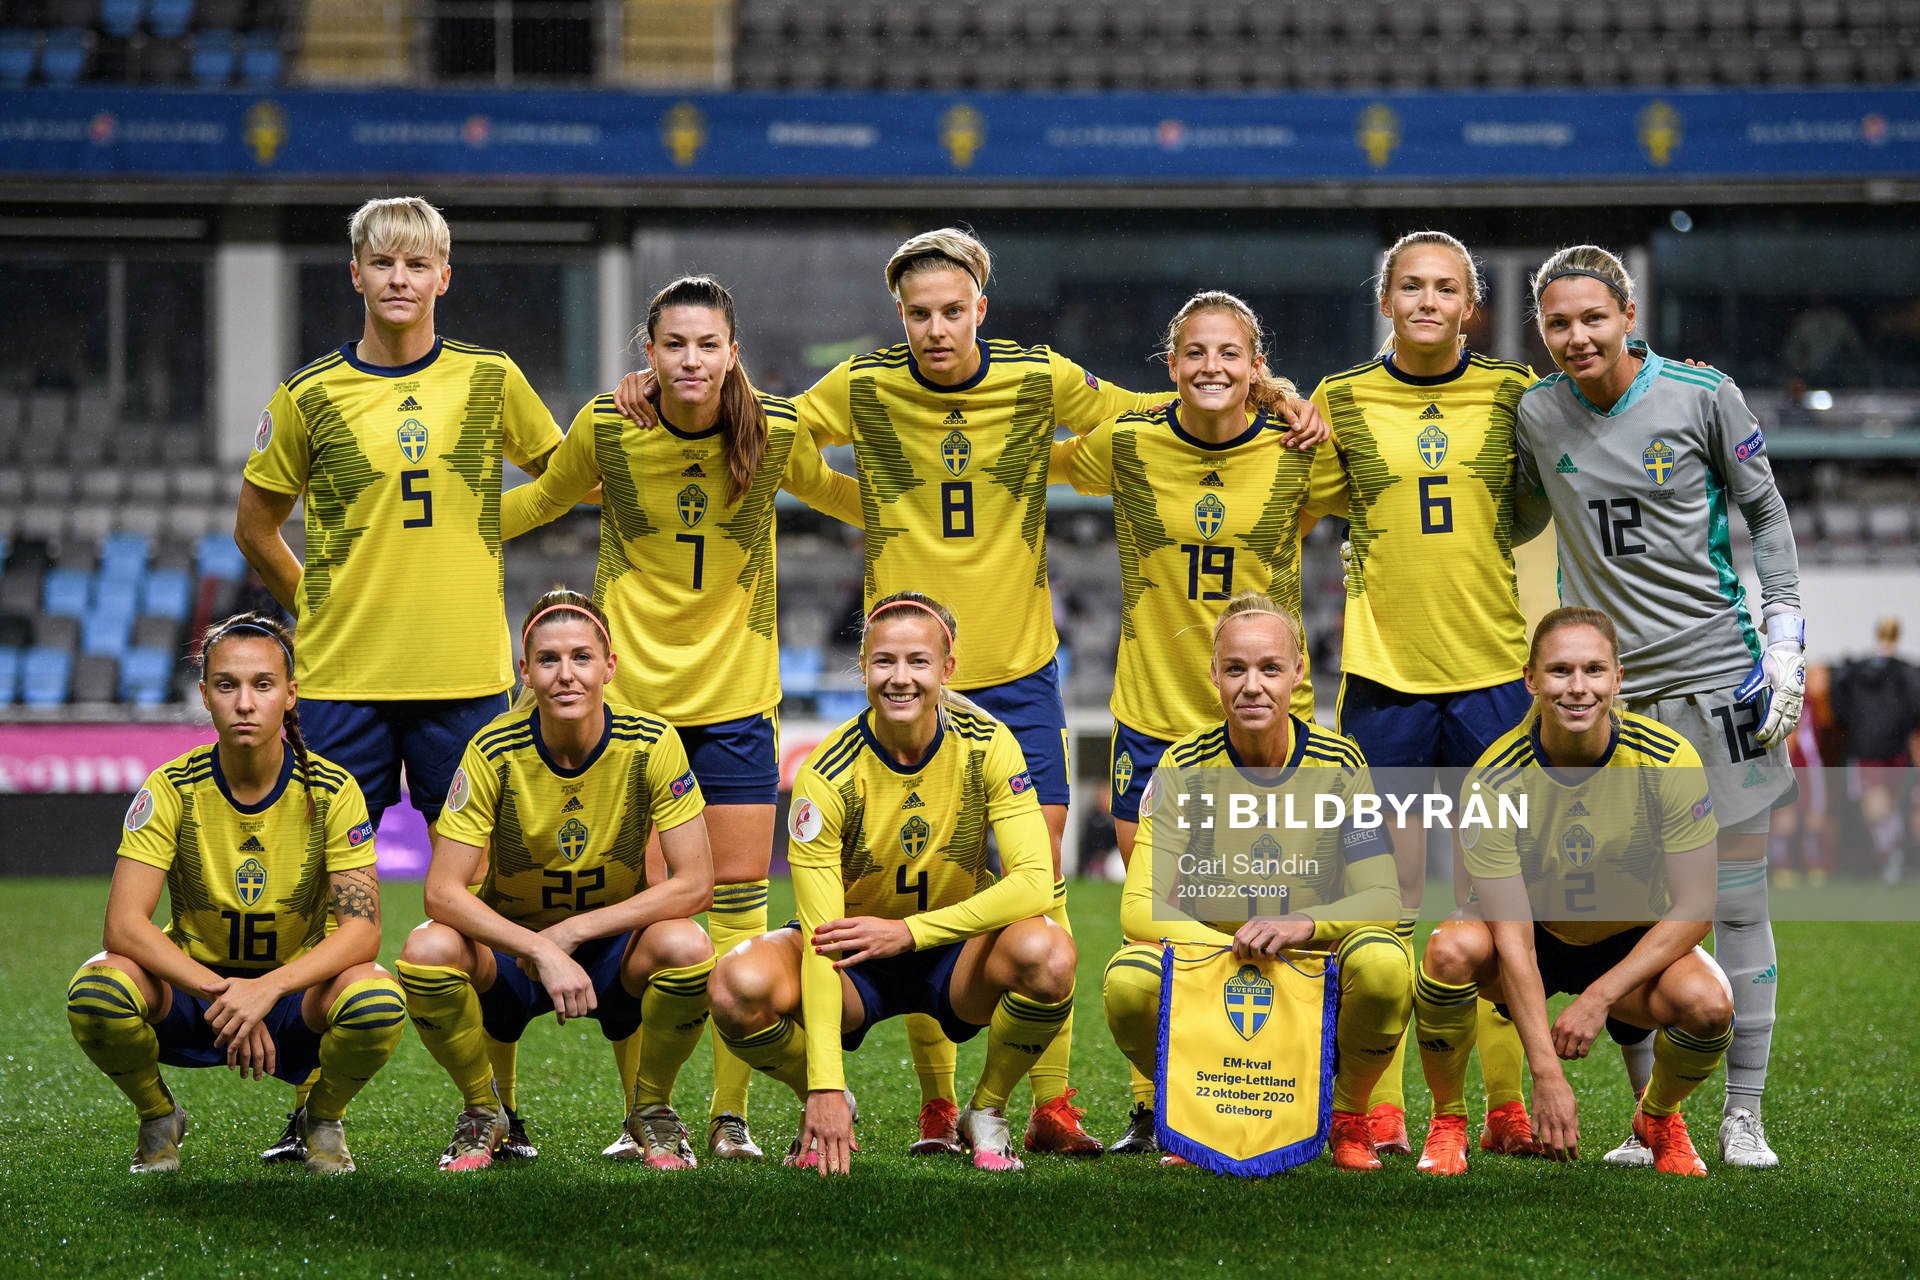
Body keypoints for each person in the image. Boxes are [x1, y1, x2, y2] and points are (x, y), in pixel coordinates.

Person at [616, 230, 1327, 1156]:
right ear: (899, 316)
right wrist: (663, 391)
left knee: (1047, 897)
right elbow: (771, 428)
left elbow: (1169, 397)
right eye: (919, 314)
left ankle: (1050, 1102)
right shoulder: (865, 384)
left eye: (954, 311)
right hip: (912, 680)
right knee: (912, 880)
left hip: (1020, 673)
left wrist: (1272, 389)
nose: (937, 329)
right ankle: (937, 1105)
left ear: (982, 308)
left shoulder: (1038, 378)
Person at [496, 275, 859, 1161]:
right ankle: (643, 1112)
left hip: (735, 703)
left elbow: (845, 496)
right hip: (633, 707)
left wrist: (936, 517)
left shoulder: (770, 433)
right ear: (647, 354)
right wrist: (412, 536)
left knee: (735, 909)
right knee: (641, 917)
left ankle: (729, 1120)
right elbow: (536, 505)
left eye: (707, 345)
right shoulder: (610, 429)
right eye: (673, 345)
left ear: (732, 352)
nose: (690, 360)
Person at [233, 196, 564, 1158]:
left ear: (444, 277)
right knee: (329, 904)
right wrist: (316, 605)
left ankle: (492, 1109)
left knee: (487, 904)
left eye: (418, 264)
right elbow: (256, 527)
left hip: (466, 678)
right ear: (356, 274)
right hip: (341, 685)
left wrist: (484, 528)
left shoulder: (491, 378)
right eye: (383, 263)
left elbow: (562, 470)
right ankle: (320, 1109)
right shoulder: (310, 395)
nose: (400, 279)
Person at [1516, 243, 1805, 1168]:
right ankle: (1655, 1119)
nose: (1576, 337)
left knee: (1736, 902)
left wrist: (1787, 636)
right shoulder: (1534, 414)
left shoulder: (1701, 394)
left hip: (1720, 685)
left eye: (1592, 317)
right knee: (1619, 912)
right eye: (1557, 323)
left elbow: (1767, 515)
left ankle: (1745, 1116)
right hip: (1608, 707)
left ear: (1628, 313)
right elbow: (1509, 521)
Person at [1050, 291, 1329, 1153]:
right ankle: (1153, 1106)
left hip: (1271, 731)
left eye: (1231, 354)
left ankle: (1296, 1100)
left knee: (1281, 922)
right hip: (1155, 722)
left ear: (1256, 364)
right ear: (1171, 367)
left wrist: (1298, 407)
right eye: (1195, 353)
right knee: (1169, 922)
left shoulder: (1298, 452)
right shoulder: (1130, 444)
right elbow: (1035, 460)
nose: (1213, 367)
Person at [707, 592, 1078, 1175]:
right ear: (863, 666)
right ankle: (826, 1101)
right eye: (883, 662)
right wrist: (824, 1084)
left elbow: (1035, 883)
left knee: (1050, 954)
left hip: (957, 956)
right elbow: (823, 935)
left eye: (918, 662)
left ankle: (986, 1109)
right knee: (735, 985)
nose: (899, 678)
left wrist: (908, 933)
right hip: (854, 957)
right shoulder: (826, 773)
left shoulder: (989, 743)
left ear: (947, 669)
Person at [1309, 230, 1541, 1160]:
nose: (1429, 300)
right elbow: (1294, 493)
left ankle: (1504, 1105)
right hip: (1385, 680)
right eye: (1412, 285)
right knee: (1387, 901)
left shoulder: (1517, 395)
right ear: (1386, 300)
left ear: (1471, 305)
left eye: (1447, 287)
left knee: (1493, 902)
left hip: (1493, 675)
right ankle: (1379, 1105)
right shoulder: (1340, 398)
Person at [65, 613, 404, 1174]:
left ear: (291, 694)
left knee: (376, 999)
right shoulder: (170, 788)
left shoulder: (334, 790)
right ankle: (157, 1115)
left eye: (263, 685)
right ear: (204, 694)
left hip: (295, 997)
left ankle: (320, 1119)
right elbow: (124, 926)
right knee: (97, 990)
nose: (245, 702)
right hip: (196, 995)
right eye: (227, 685)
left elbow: (363, 932)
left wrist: (266, 990)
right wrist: (225, 993)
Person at [394, 590, 717, 1172]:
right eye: (548, 660)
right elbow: (441, 892)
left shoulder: (652, 742)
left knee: (687, 943)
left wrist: (575, 932)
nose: (565, 675)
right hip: (513, 956)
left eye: (581, 658)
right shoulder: (493, 750)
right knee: (426, 949)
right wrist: (542, 947)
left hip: (614, 953)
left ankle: (653, 1111)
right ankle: (482, 1111)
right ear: (526, 671)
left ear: (609, 666)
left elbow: (695, 884)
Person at [1415, 607, 1733, 1177]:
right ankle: (1449, 1122)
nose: (1578, 687)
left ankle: (1657, 1117)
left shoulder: (1667, 760)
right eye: (1560, 671)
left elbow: (1696, 908)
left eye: (1593, 670)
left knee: (1709, 1007)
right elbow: (1512, 938)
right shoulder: (1494, 778)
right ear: (1531, 680)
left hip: (1627, 943)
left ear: (1618, 678)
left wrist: (1598, 997)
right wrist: (1546, 1072)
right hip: (1533, 940)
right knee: (1448, 948)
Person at [1099, 593, 1409, 1172]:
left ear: (1297, 673)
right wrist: (1233, 944)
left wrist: (1298, 928)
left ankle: (1346, 1118)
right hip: (1215, 977)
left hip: (1314, 979)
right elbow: (1137, 908)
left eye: (1269, 668)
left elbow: (1384, 899)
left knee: (1386, 962)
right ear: (1213, 674)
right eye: (1236, 669)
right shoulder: (1180, 768)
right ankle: (1193, 1117)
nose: (1252, 686)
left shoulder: (1341, 766)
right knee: (1128, 982)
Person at [1831, 616, 1920, 885]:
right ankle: (1894, 859)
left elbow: (1840, 707)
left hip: (1870, 749)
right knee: (1886, 808)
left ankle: (1892, 858)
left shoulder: (1856, 670)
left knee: (1881, 809)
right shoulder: (1906, 671)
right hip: (1891, 748)